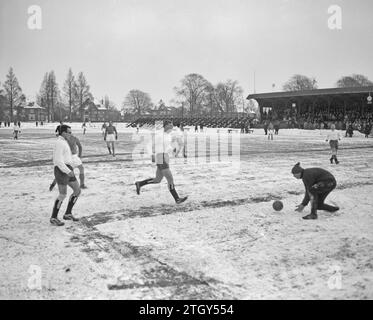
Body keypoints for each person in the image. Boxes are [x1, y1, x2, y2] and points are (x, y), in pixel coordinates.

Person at [135, 120, 187, 204]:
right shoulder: (159, 134)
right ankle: (177, 199)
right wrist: (151, 154)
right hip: (160, 157)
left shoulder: (168, 135)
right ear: (165, 126)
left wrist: (172, 150)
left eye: (172, 125)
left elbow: (167, 146)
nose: (172, 127)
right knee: (170, 179)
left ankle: (139, 184)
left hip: (165, 157)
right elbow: (149, 144)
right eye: (170, 125)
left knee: (157, 180)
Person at [50, 125, 81, 226]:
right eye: (69, 132)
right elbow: (58, 161)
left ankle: (68, 213)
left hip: (68, 169)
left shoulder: (64, 142)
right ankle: (54, 217)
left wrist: (71, 167)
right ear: (63, 133)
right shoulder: (59, 143)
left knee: (77, 191)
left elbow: (67, 157)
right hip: (62, 170)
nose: (70, 134)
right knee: (62, 194)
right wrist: (67, 171)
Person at [50, 125, 87, 190]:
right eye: (68, 133)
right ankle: (53, 184)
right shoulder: (64, 140)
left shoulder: (74, 138)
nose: (70, 134)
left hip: (74, 157)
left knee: (81, 169)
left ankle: (82, 184)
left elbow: (80, 146)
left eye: (70, 133)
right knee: (65, 172)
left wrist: (79, 156)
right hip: (68, 158)